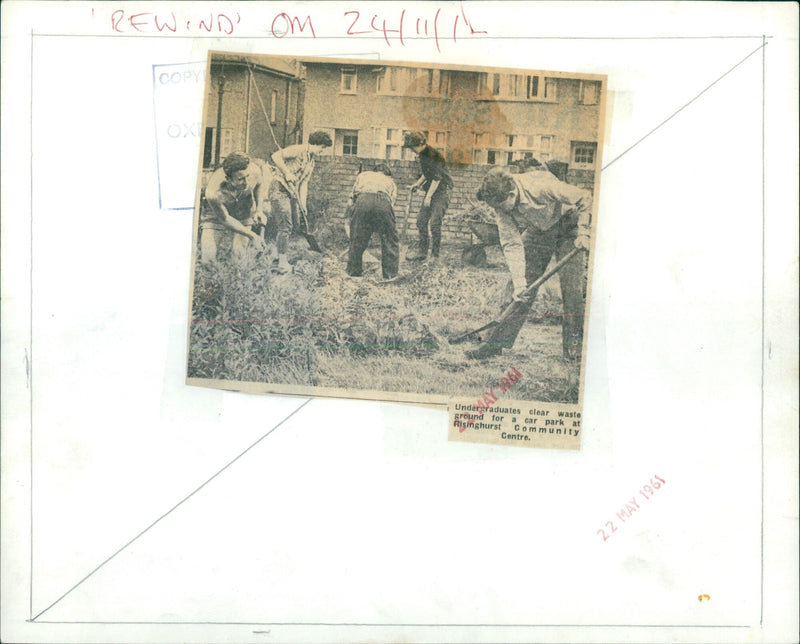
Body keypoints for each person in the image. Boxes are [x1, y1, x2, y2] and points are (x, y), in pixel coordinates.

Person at [472, 163, 592, 360]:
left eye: (502, 207)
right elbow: (511, 243)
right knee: (516, 288)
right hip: (539, 231)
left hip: (569, 226)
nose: (501, 211)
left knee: (572, 290)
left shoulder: (540, 184)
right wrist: (520, 282)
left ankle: (574, 350)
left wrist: (585, 232)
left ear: (511, 195)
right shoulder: (500, 204)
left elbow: (584, 196)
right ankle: (493, 344)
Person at [269, 131, 333, 273]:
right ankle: (282, 263)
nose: (322, 151)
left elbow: (303, 184)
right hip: (279, 188)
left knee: (296, 224)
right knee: (286, 225)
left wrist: (302, 204)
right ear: (314, 144)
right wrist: (287, 172)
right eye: (322, 147)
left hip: (291, 192)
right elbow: (275, 156)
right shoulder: (298, 149)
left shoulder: (311, 162)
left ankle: (276, 254)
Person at [199, 153, 268, 264]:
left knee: (238, 255)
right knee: (208, 258)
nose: (246, 182)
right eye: (240, 179)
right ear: (228, 179)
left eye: (247, 177)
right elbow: (225, 219)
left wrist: (259, 210)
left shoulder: (254, 171)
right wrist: (253, 235)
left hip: (243, 207)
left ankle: (238, 277)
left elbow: (259, 185)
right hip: (216, 213)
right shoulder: (213, 192)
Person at [403, 131, 453, 262]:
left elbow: (436, 178)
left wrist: (428, 197)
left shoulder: (433, 155)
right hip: (432, 190)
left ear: (420, 144)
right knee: (421, 221)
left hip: (442, 191)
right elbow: (427, 174)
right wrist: (417, 184)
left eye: (412, 147)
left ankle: (435, 256)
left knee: (435, 223)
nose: (412, 151)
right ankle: (422, 253)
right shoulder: (423, 155)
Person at [346, 163, 399, 281]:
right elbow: (391, 205)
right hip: (383, 201)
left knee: (357, 238)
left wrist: (355, 221)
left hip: (362, 200)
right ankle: (390, 276)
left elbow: (351, 200)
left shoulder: (363, 175)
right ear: (388, 174)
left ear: (375, 171)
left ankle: (353, 273)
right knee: (390, 239)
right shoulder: (390, 181)